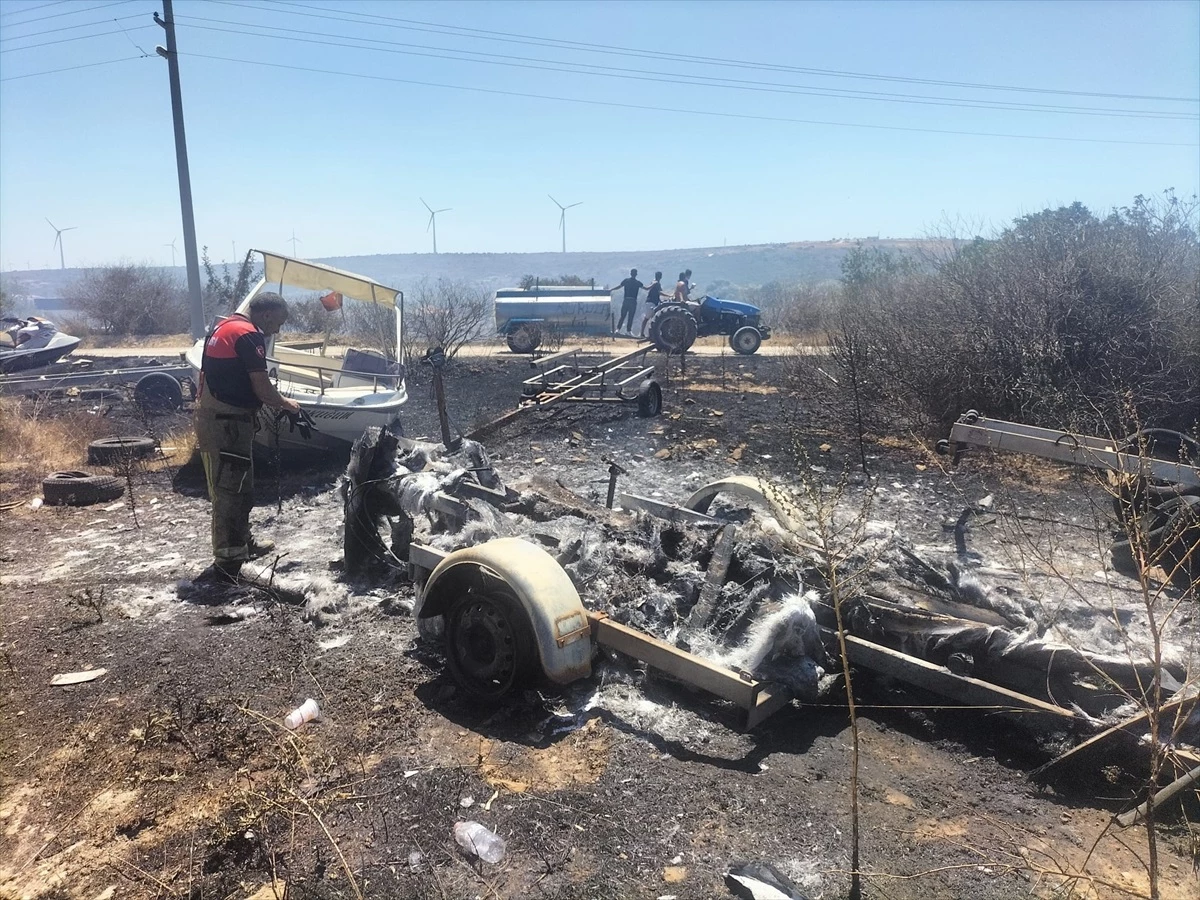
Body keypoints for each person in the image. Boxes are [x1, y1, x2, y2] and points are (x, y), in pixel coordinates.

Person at [194, 292, 300, 583]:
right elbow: (263, 388)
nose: (277, 330)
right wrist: (287, 404)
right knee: (230, 490)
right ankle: (228, 562)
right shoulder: (249, 335)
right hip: (226, 424)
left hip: (216, 419)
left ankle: (241, 544)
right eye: (278, 323)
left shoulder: (223, 327)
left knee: (238, 486)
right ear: (266, 315)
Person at [613, 268, 644, 335]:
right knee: (631, 316)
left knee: (623, 315)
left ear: (630, 273)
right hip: (633, 301)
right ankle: (628, 331)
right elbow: (646, 288)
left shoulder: (626, 281)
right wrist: (653, 284)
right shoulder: (638, 283)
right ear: (636, 274)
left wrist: (611, 289)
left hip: (626, 300)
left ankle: (618, 329)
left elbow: (619, 286)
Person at [638, 271, 667, 337]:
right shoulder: (656, 283)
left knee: (651, 318)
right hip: (651, 302)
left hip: (653, 302)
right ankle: (643, 333)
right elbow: (659, 292)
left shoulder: (655, 282)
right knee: (648, 318)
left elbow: (656, 293)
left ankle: (648, 333)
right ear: (661, 277)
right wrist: (669, 295)